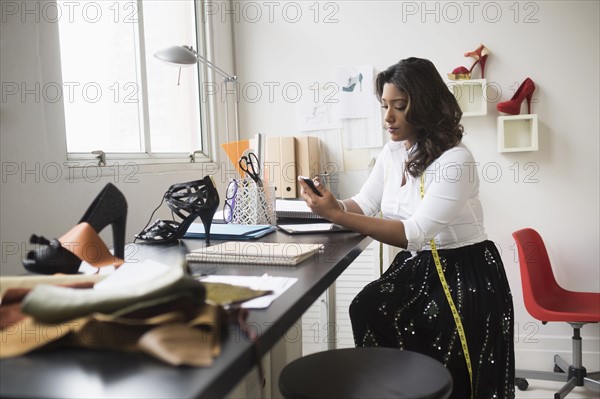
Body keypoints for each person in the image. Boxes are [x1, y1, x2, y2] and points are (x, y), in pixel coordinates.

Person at [298, 57, 515, 399]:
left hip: (464, 271)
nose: (388, 117)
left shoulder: (455, 160)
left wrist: (338, 216)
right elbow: (364, 203)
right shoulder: (392, 151)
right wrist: (329, 205)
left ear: (426, 105)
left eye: (399, 106)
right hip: (420, 267)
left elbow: (414, 232)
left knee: (453, 365)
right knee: (366, 307)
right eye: (385, 105)